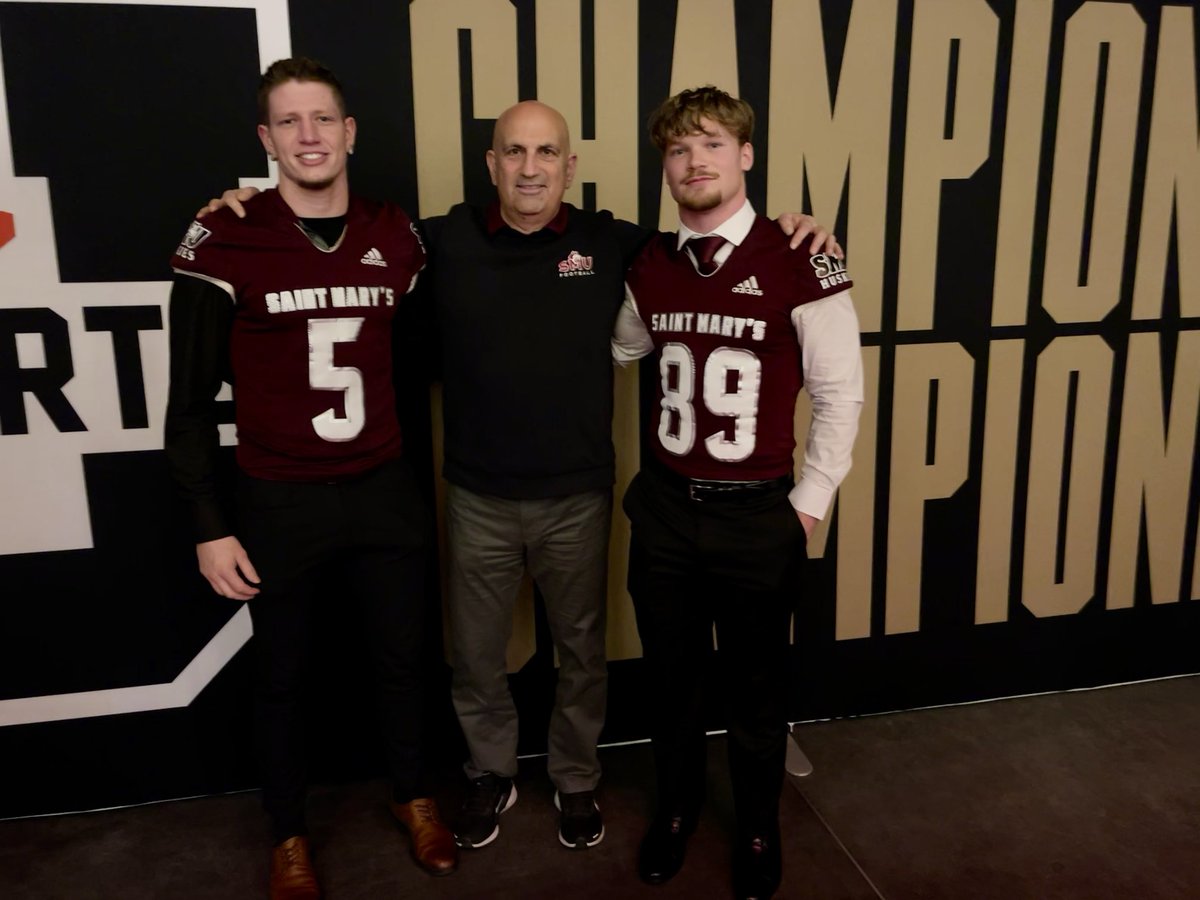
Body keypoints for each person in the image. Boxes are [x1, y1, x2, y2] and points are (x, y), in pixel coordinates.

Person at [198, 100, 840, 855]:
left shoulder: (619, 246)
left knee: (582, 654)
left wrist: (795, 229)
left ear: (570, 167)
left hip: (579, 495)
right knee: (476, 656)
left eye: (546, 153)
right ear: (492, 163)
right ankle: (490, 773)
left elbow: (715, 238)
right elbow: (334, 240)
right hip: (477, 495)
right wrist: (242, 206)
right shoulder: (438, 240)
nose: (530, 168)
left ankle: (576, 778)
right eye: (513, 152)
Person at [164, 58, 456, 900]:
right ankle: (288, 833)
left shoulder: (397, 235)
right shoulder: (224, 237)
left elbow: (420, 363)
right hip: (279, 496)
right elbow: (188, 404)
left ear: (350, 131)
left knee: (403, 662)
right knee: (283, 678)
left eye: (323, 118)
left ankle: (413, 794)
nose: (309, 135)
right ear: (266, 138)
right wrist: (208, 523)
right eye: (289, 122)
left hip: (381, 485)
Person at [611, 86, 863, 899]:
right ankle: (677, 811)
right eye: (679, 150)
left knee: (757, 691)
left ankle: (757, 825)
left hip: (757, 513)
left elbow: (841, 393)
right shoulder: (649, 263)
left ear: (746, 154)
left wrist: (807, 504)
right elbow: (623, 347)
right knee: (672, 683)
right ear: (665, 166)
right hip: (665, 508)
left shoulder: (801, 255)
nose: (696, 162)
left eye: (713, 144)